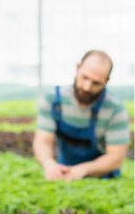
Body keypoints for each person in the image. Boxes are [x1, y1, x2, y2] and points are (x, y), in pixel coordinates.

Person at [33, 50, 129, 181]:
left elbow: (116, 158)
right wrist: (49, 164)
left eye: (96, 83)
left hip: (102, 179)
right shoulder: (54, 100)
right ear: (77, 68)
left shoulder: (114, 108)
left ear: (106, 81)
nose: (87, 87)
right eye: (84, 77)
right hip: (62, 175)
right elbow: (42, 141)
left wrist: (83, 170)